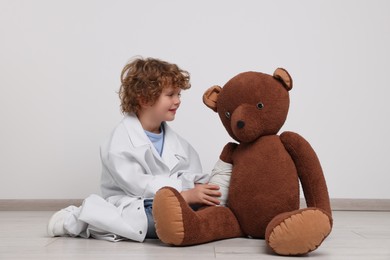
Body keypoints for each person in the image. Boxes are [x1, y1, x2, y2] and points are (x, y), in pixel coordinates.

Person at [47, 57, 222, 242]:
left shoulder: (181, 145)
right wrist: (185, 194)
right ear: (145, 99)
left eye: (179, 95)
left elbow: (191, 175)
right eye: (170, 95)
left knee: (206, 211)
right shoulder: (119, 142)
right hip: (135, 204)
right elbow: (137, 185)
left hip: (172, 201)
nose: (177, 101)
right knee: (158, 221)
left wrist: (200, 189)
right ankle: (74, 219)